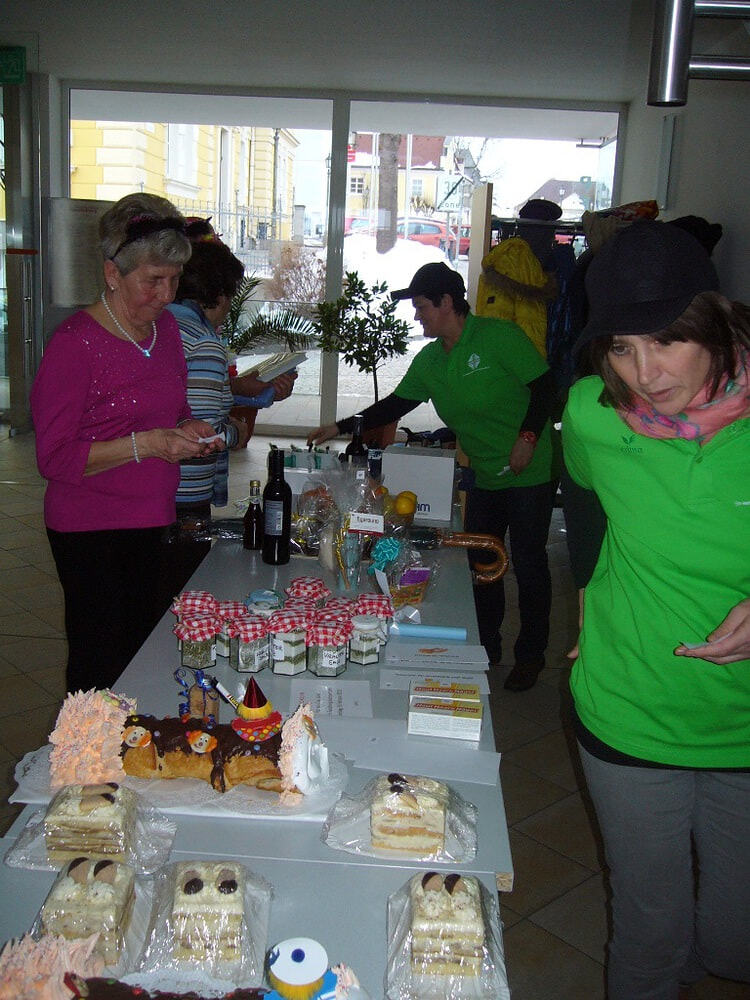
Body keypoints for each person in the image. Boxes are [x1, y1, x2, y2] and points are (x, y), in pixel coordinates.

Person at [561, 220, 750, 999]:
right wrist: (588, 593)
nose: (645, 373)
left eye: (668, 340)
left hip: (743, 728)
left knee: (736, 940)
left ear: (716, 322)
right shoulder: (592, 412)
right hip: (628, 707)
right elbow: (585, 500)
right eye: (621, 347)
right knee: (649, 932)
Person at [308, 261, 558, 690]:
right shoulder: (430, 360)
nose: (417, 315)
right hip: (485, 471)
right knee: (482, 560)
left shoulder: (498, 337)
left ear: (446, 302)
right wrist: (340, 426)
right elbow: (395, 405)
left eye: (422, 306)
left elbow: (545, 387)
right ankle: (488, 644)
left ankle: (531, 655)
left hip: (529, 468)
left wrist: (528, 437)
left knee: (529, 562)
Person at [31, 193, 221, 693]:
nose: (165, 294)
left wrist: (188, 427)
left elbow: (172, 408)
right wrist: (148, 445)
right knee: (100, 662)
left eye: (174, 279)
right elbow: (53, 457)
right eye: (153, 280)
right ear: (112, 273)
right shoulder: (75, 344)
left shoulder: (166, 331)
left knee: (144, 651)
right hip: (90, 527)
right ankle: (87, 744)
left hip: (153, 516)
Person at [164, 228, 295, 594]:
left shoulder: (160, 327)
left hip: (151, 487)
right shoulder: (204, 342)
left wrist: (252, 392)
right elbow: (204, 437)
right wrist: (238, 432)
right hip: (186, 490)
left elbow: (186, 397)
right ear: (219, 294)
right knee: (183, 589)